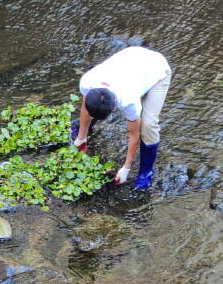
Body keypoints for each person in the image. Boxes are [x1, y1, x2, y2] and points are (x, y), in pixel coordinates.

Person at [72, 46, 172, 189]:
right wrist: (81, 138)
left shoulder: (128, 100)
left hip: (157, 71)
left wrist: (126, 168)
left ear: (115, 104)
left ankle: (146, 173)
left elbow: (134, 135)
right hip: (131, 56)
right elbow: (85, 108)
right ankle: (84, 134)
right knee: (93, 109)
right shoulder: (88, 82)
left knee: (149, 125)